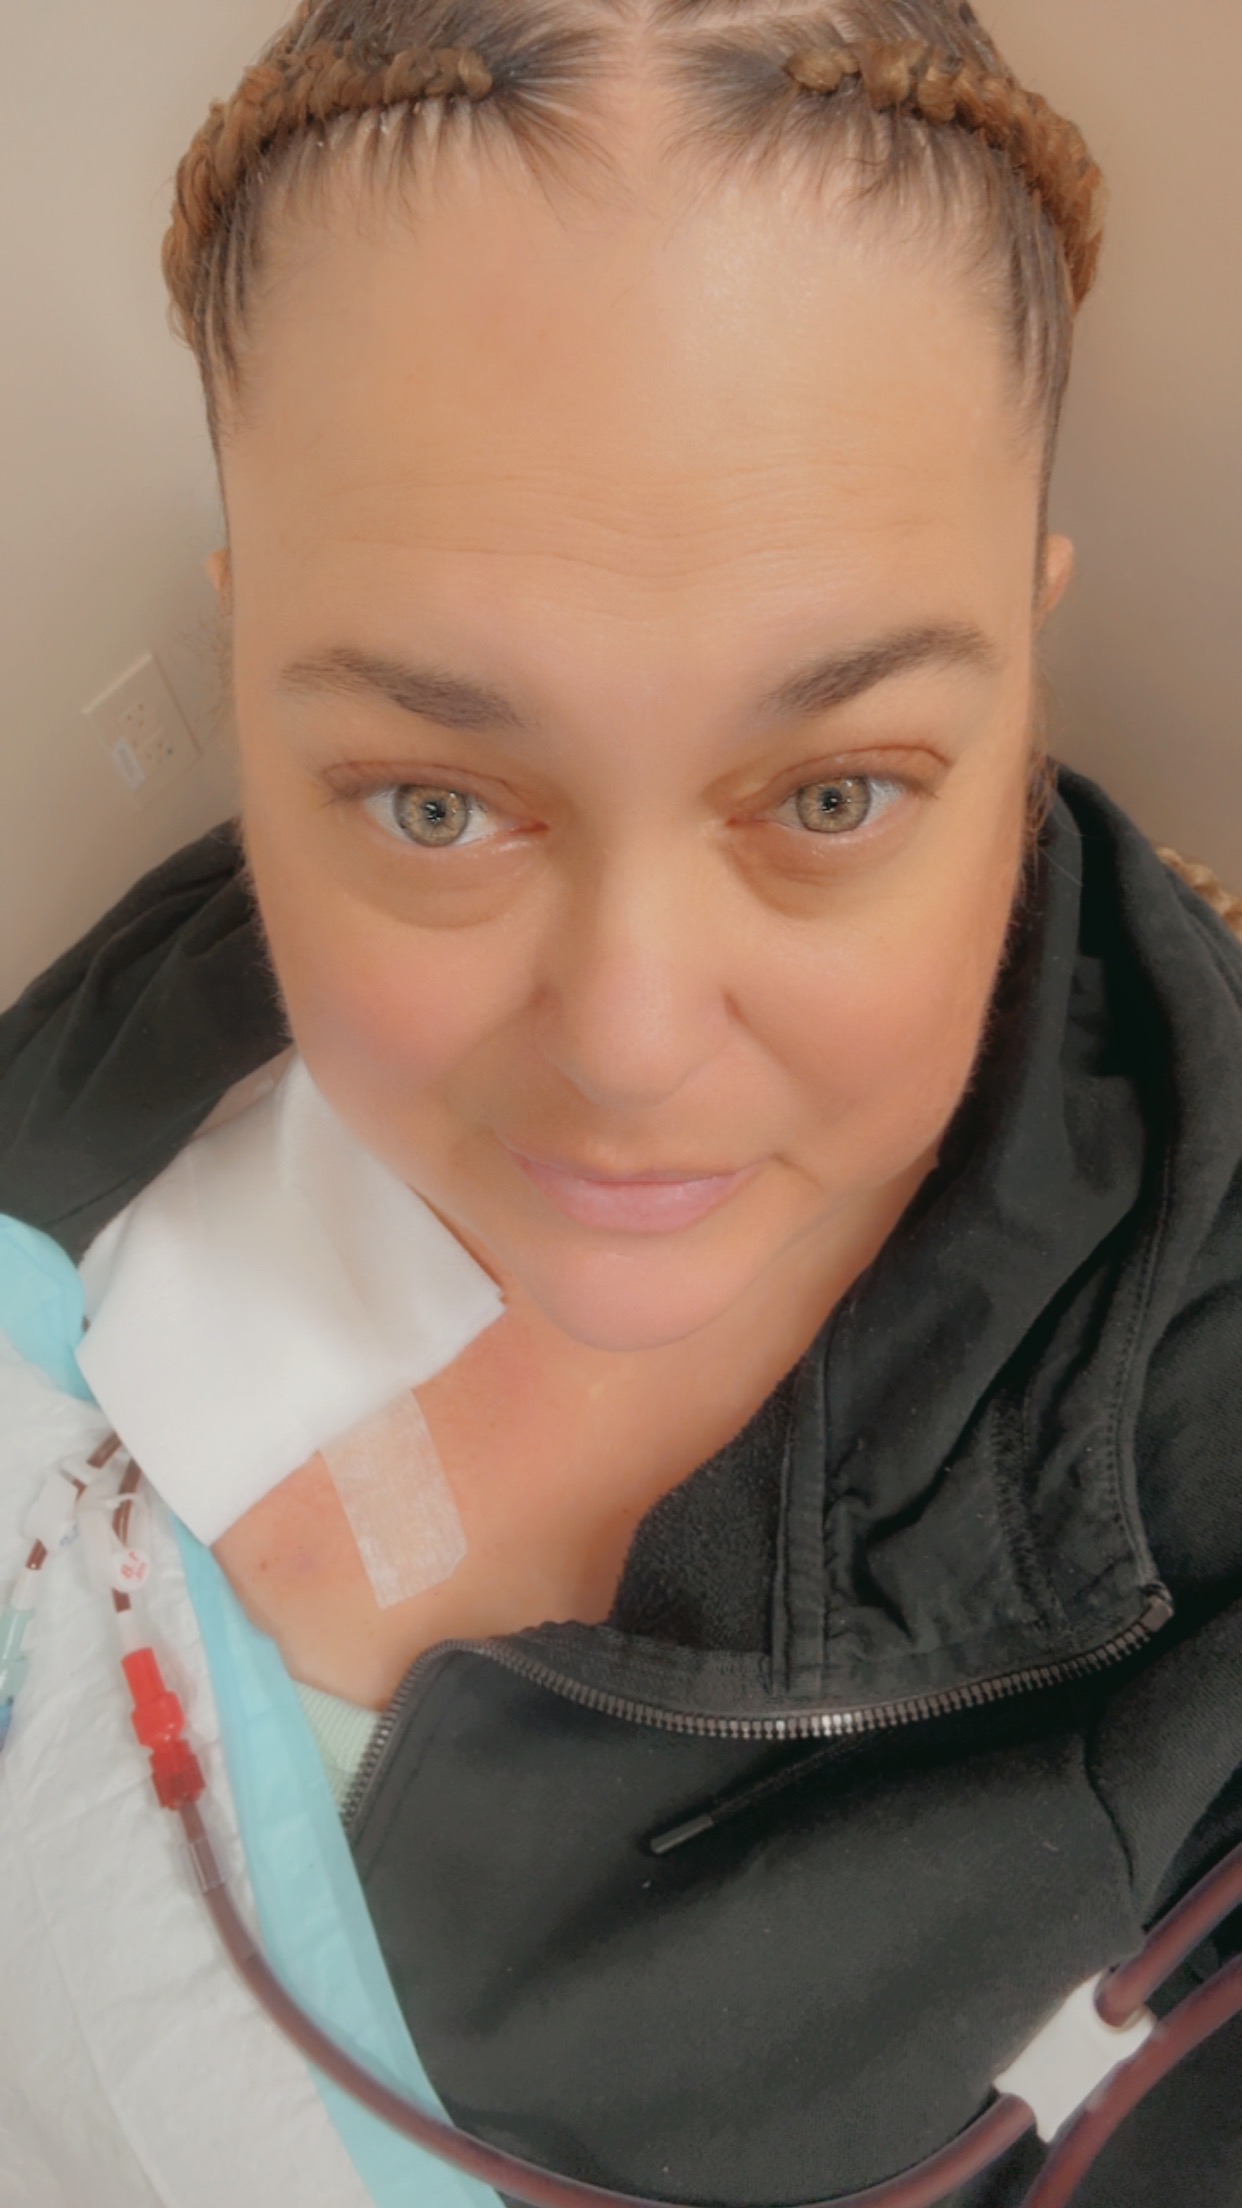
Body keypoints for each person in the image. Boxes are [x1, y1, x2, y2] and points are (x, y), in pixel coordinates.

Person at [1, 2, 1240, 2203]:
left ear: (1024, 668)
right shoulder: (160, 1007)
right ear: (254, 670)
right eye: (435, 800)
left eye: (833, 794)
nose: (632, 1046)